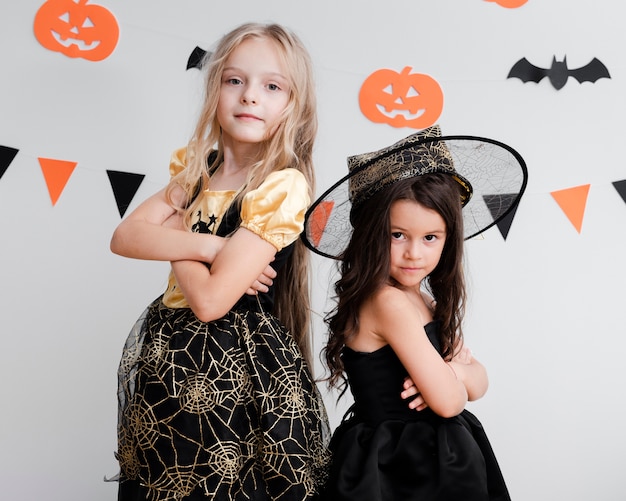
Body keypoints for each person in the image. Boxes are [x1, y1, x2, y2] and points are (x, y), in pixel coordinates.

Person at [109, 22, 330, 501]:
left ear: (294, 104)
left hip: (235, 365)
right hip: (169, 361)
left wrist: (171, 231)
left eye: (272, 86)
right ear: (215, 90)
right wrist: (210, 247)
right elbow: (125, 236)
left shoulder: (280, 185)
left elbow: (210, 301)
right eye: (235, 80)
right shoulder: (196, 170)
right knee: (165, 479)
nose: (251, 96)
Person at [302, 125, 528, 500]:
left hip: (439, 460)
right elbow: (449, 401)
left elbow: (481, 382)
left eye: (430, 238)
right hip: (399, 469)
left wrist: (451, 371)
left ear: (447, 239)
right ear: (372, 234)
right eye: (397, 235)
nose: (414, 253)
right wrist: (453, 378)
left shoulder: (423, 299)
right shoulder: (386, 302)